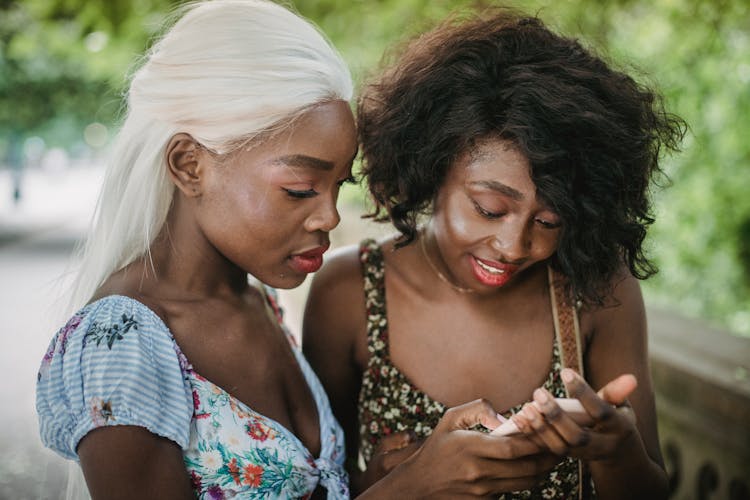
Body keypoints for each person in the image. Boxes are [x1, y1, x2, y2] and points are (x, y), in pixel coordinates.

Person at [36, 1, 559, 498]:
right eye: (300, 189)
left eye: (338, 189)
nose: (329, 216)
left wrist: (383, 477)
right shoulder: (119, 343)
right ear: (190, 165)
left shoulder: (253, 300)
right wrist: (411, 490)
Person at [303, 7, 686, 499]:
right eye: (488, 209)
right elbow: (317, 486)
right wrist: (403, 482)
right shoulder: (350, 293)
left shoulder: (594, 292)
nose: (514, 246)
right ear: (431, 166)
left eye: (550, 221)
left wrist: (615, 451)